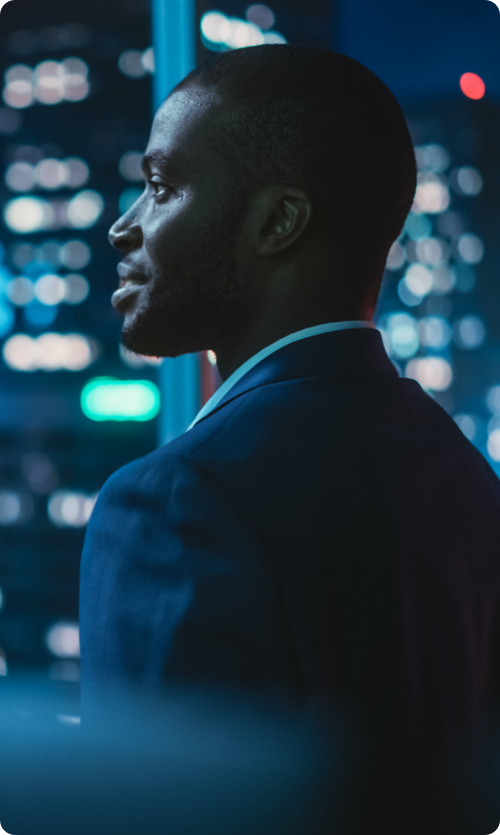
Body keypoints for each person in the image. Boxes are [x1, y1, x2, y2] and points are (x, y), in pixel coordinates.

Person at [79, 45, 500, 832]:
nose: (122, 227)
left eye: (162, 187)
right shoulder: (459, 469)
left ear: (279, 221)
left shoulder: (178, 503)